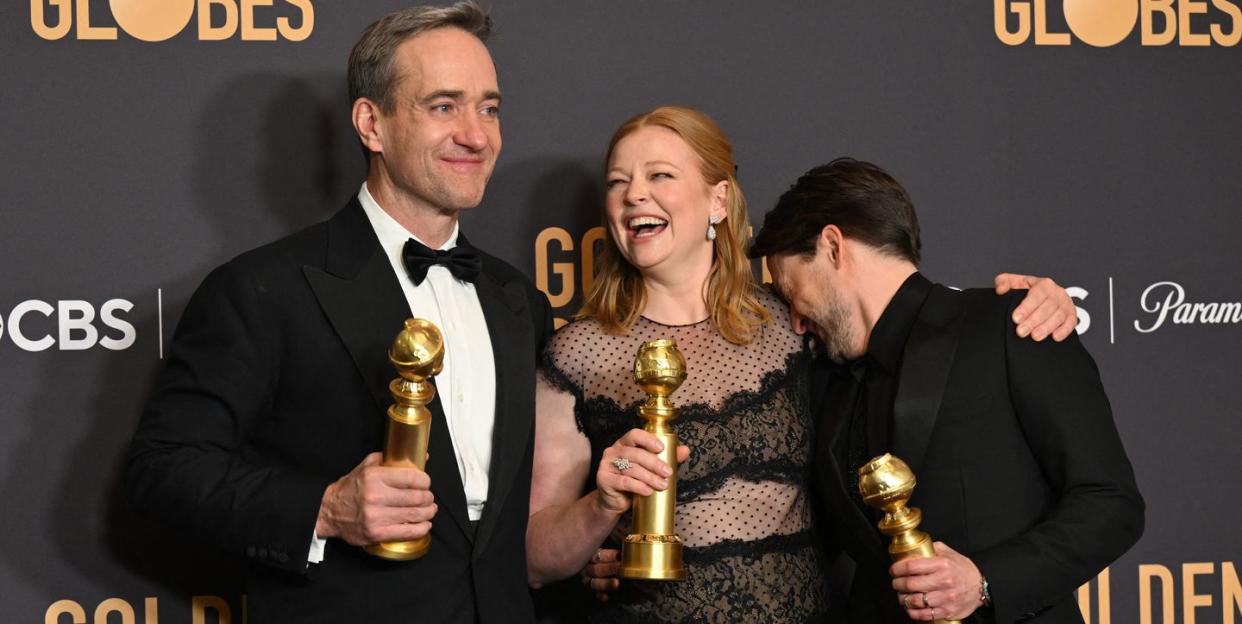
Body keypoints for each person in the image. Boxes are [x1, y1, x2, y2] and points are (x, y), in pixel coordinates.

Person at [526, 107, 1079, 622]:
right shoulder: (576, 352)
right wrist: (601, 507)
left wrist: (1030, 302)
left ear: (718, 201)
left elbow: (919, 327)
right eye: (618, 182)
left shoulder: (795, 322)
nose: (634, 196)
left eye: (660, 176)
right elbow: (536, 559)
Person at [124, 4, 550, 623]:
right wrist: (324, 508)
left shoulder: (517, 300)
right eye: (443, 106)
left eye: (489, 107)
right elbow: (161, 471)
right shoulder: (262, 289)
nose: (476, 135)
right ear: (371, 124)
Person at [750, 158, 1144, 623]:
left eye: (793, 289)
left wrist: (984, 581)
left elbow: (1110, 502)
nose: (795, 319)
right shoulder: (824, 377)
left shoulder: (1011, 326)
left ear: (833, 247)